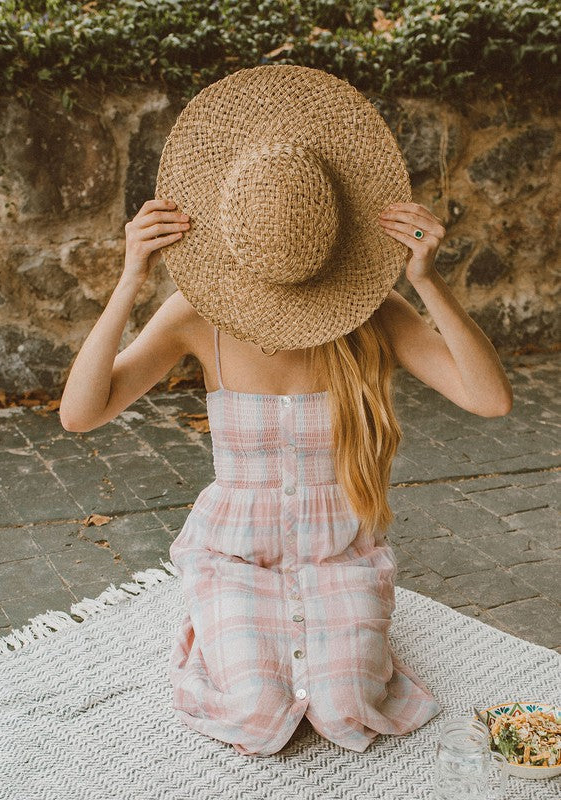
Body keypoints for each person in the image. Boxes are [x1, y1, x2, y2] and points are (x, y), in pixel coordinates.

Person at [60, 66, 513, 757]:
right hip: (234, 555)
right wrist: (130, 280)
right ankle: (218, 621)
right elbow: (80, 415)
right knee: (258, 715)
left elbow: (489, 398)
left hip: (337, 553)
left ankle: (322, 628)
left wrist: (427, 282)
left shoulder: (371, 314)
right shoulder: (197, 316)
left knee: (345, 707)